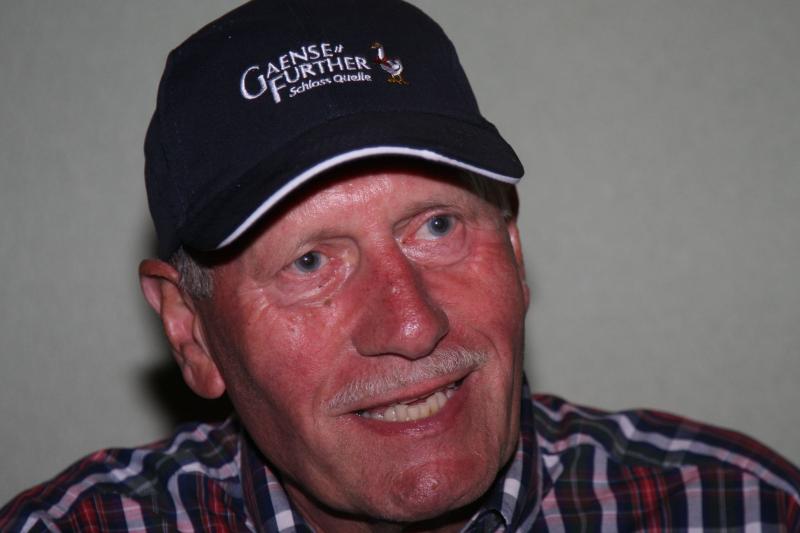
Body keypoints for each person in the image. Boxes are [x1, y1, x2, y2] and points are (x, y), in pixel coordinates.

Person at [2, 0, 799, 531]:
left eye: (438, 226)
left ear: (515, 249)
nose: (413, 325)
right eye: (310, 261)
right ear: (191, 331)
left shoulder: (739, 509)